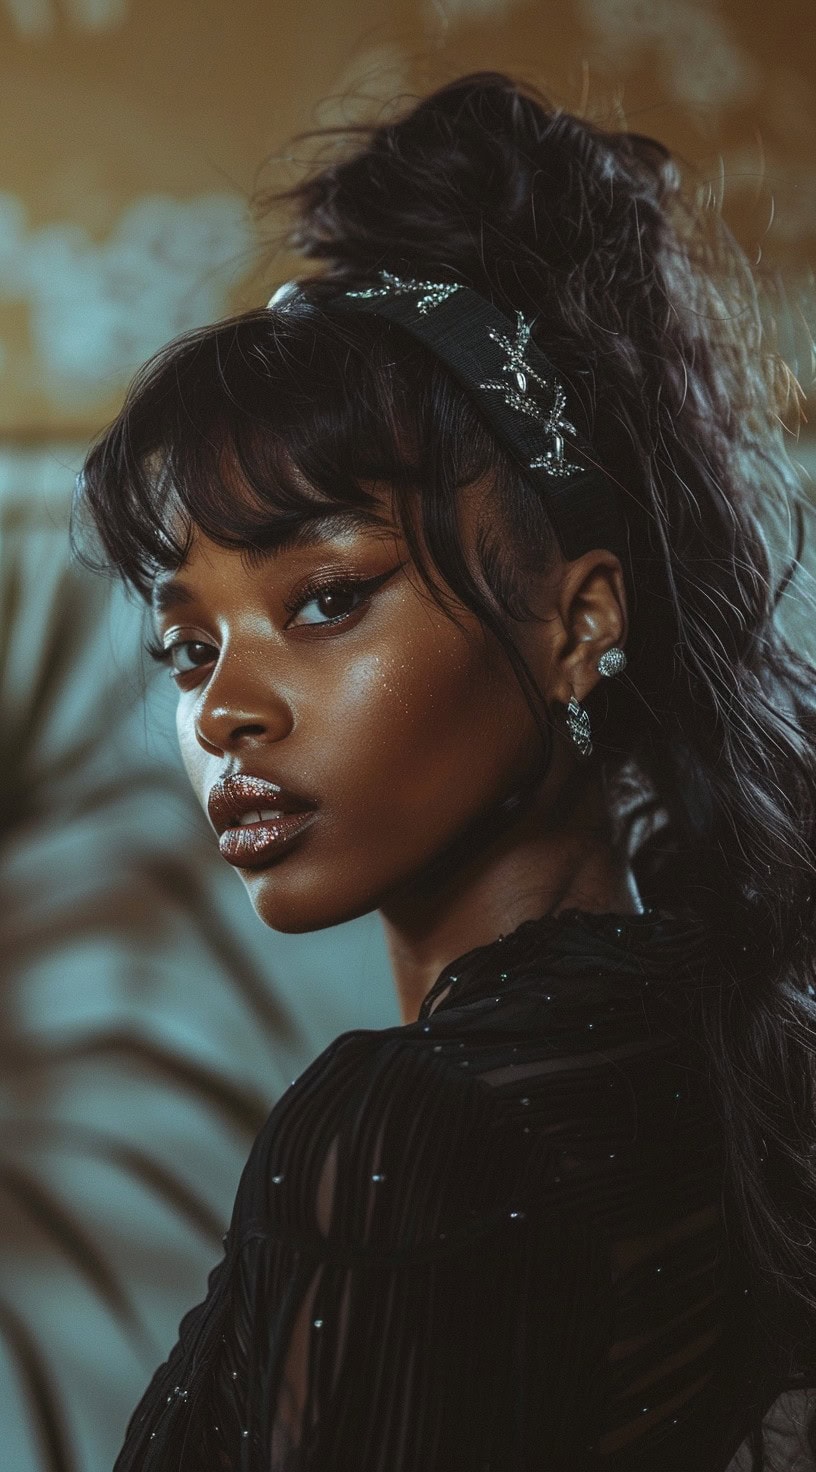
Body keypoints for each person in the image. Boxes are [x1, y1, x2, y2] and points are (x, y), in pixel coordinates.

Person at [72, 71, 816, 1472]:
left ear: (577, 624)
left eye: (325, 600)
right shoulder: (733, 1051)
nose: (225, 710)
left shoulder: (406, 1129)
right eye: (187, 648)